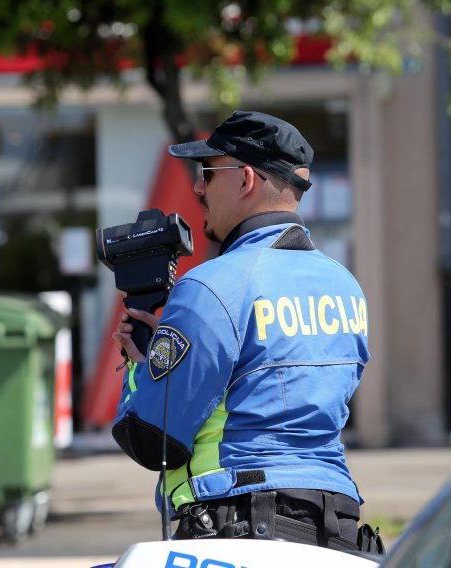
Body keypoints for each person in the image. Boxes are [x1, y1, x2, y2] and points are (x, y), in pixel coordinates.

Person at [111, 111, 373, 551]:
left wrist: (141, 367)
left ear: (245, 179)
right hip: (339, 531)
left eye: (208, 173)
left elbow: (152, 439)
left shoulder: (210, 287)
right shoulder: (345, 286)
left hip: (237, 527)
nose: (198, 188)